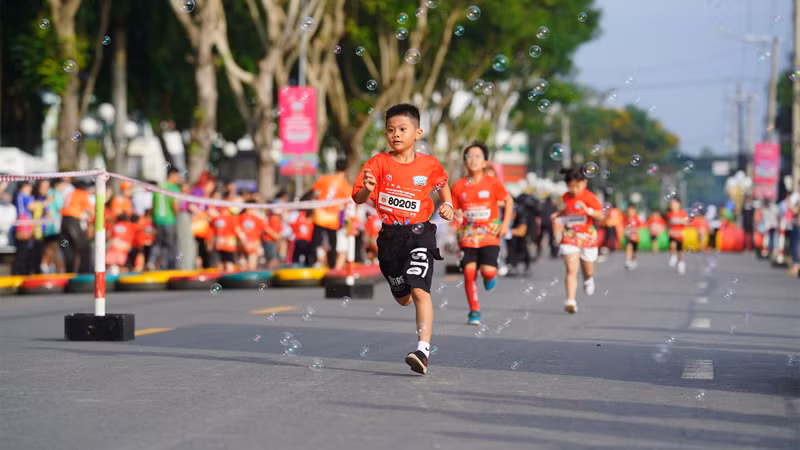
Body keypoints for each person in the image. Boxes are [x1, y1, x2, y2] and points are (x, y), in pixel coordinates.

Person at [352, 103, 453, 375]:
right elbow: (359, 197)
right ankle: (401, 288)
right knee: (404, 298)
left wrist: (449, 206)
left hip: (420, 234)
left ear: (417, 132)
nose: (395, 134)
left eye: (402, 129)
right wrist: (367, 191)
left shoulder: (430, 165)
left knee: (420, 290)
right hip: (390, 239)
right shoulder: (377, 163)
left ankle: (422, 350)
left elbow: (443, 186)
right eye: (390, 130)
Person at [451, 142, 513, 325]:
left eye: (478, 156)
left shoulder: (493, 183)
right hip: (468, 236)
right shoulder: (458, 186)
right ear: (464, 161)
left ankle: (489, 276)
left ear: (485, 162)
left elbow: (508, 201)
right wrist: (456, 215)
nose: (473, 160)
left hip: (489, 236)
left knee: (487, 271)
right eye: (469, 156)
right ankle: (474, 311)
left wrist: (505, 225)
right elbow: (453, 210)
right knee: (469, 274)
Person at [551, 168, 604, 314]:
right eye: (570, 186)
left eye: (577, 186)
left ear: (584, 183)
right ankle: (571, 301)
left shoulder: (590, 197)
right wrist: (558, 214)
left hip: (587, 236)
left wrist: (589, 211)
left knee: (588, 268)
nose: (573, 189)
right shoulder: (565, 197)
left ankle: (588, 279)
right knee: (571, 269)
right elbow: (565, 211)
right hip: (570, 236)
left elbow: (601, 216)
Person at [309, 158, 352, 268]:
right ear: (346, 169)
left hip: (320, 214)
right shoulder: (346, 186)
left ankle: (311, 262)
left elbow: (313, 191)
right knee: (333, 242)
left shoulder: (324, 178)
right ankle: (332, 265)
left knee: (316, 240)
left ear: (335, 167)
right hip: (333, 217)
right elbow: (348, 203)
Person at [59, 180, 93, 273]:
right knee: (85, 248)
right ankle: (83, 272)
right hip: (73, 223)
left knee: (67, 246)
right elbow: (91, 211)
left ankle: (69, 272)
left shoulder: (69, 194)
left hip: (63, 223)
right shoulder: (81, 194)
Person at [150, 168, 181, 269]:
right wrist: (178, 214)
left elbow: (153, 204)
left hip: (157, 219)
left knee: (158, 243)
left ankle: (151, 262)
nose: (178, 178)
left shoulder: (159, 187)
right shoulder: (173, 188)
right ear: (171, 175)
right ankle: (170, 266)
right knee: (170, 245)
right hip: (169, 220)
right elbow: (175, 205)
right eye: (177, 175)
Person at [12, 181, 35, 275]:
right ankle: (19, 273)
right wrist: (47, 202)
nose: (30, 189)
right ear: (22, 187)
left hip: (26, 227)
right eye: (28, 187)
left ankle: (23, 272)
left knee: (26, 252)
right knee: (22, 252)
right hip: (22, 228)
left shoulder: (23, 196)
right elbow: (32, 207)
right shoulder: (22, 196)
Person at [666, 197, 689, 274]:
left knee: (680, 250)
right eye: (671, 203)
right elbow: (667, 224)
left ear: (679, 204)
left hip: (680, 234)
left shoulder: (682, 213)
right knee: (672, 245)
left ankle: (681, 263)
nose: (673, 205)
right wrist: (669, 230)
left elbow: (687, 223)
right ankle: (673, 256)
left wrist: (682, 222)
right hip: (672, 234)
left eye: (674, 203)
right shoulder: (669, 214)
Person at [212, 207, 239, 272]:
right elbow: (237, 230)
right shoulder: (231, 218)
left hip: (218, 244)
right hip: (229, 245)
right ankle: (230, 281)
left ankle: (219, 280)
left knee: (220, 263)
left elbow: (212, 232)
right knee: (229, 263)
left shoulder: (216, 219)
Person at [623, 204, 642, 270]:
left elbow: (639, 226)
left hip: (635, 237)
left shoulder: (636, 218)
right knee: (628, 247)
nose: (630, 212)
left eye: (632, 211)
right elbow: (623, 226)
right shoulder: (625, 218)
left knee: (634, 250)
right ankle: (628, 261)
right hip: (628, 237)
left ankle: (633, 260)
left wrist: (635, 230)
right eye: (629, 210)